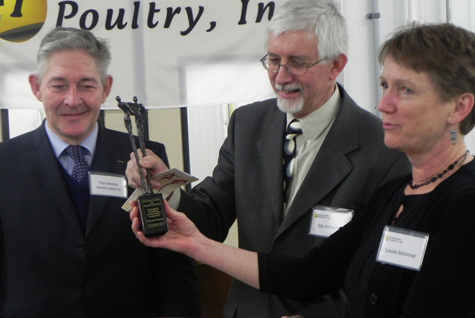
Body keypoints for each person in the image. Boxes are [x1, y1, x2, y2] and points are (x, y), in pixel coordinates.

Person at [130, 22, 475, 318]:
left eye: (406, 90)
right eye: (385, 86)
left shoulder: (461, 202)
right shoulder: (397, 194)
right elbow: (307, 274)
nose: (384, 103)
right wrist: (195, 245)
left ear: (460, 106)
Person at [0, 27, 200, 318]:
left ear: (106, 87)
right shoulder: (5, 163)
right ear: (36, 87)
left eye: (86, 85)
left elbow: (173, 267)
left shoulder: (145, 157)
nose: (72, 99)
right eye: (58, 85)